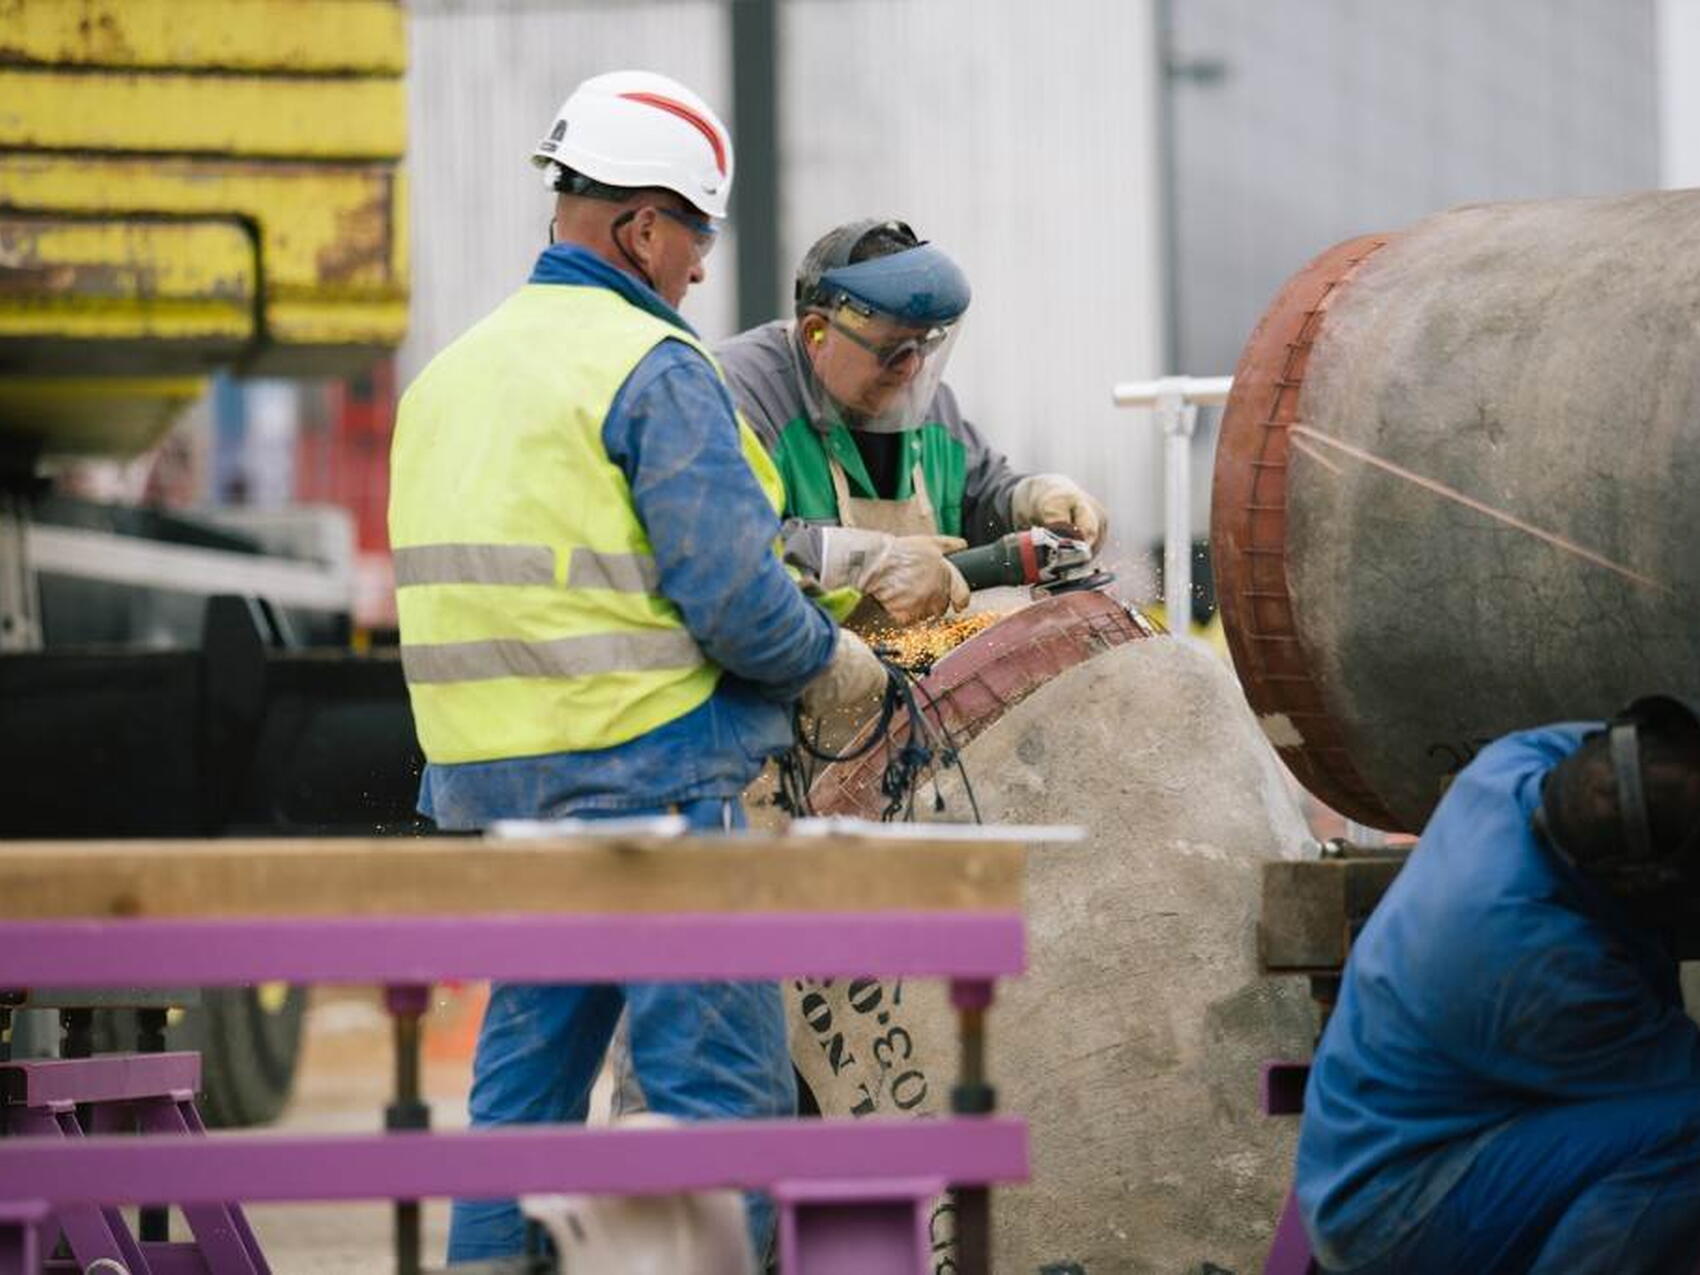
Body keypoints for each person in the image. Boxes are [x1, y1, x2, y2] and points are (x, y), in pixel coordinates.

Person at [386, 69, 889, 1264]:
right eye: (695, 239)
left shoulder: (452, 374)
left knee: (523, 1099)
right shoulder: (650, 365)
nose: (700, 270)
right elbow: (734, 602)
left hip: (501, 791)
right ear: (641, 229)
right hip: (649, 783)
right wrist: (826, 657)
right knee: (718, 1103)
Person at [1296, 695, 1700, 1274]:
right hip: (1394, 1208)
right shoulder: (1534, 965)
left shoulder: (1521, 762)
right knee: (1689, 1131)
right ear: (1633, 880)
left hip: (1401, 1129)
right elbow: (1681, 1075)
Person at [715, 218, 1109, 624]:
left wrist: (1025, 501)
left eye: (924, 343)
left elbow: (976, 496)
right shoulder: (733, 398)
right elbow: (726, 549)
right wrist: (862, 562)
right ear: (818, 334)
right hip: (787, 655)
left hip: (908, 658)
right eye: (892, 350)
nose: (912, 368)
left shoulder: (925, 404)